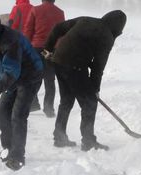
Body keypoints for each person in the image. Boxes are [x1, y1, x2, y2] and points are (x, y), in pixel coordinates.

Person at [43, 10, 127, 151]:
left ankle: (59, 137)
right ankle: (88, 141)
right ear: (118, 28)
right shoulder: (107, 37)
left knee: (67, 100)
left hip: (58, 61)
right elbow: (98, 67)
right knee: (89, 103)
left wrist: (47, 48)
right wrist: (95, 89)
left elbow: (58, 28)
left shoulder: (85, 19)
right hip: (74, 67)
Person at [0, 10, 43, 171]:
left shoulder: (10, 41)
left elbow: (13, 72)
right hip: (11, 79)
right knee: (1, 114)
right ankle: (8, 148)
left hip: (30, 77)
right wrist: (0, 83)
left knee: (18, 116)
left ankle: (18, 156)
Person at [23, 0, 65, 117]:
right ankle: (49, 109)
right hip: (52, 50)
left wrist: (26, 47)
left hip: (36, 49)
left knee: (34, 78)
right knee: (50, 80)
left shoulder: (35, 10)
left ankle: (32, 104)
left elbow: (28, 29)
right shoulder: (60, 12)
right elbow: (62, 33)